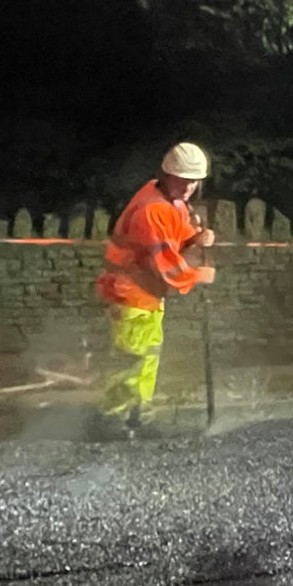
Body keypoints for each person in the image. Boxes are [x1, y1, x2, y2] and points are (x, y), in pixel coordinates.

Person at [95, 143, 217, 436]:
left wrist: (196, 238)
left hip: (145, 293)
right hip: (131, 292)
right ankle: (114, 420)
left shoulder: (169, 199)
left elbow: (176, 235)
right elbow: (167, 265)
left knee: (147, 355)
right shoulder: (153, 209)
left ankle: (138, 414)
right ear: (167, 175)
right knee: (131, 358)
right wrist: (200, 274)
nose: (189, 187)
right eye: (183, 179)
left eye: (194, 181)